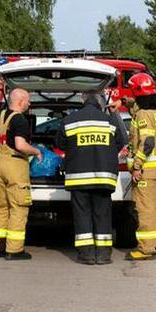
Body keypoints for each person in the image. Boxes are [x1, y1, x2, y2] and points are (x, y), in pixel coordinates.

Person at [56, 91, 126, 265]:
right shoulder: (109, 121)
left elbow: (59, 144)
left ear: (82, 101)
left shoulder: (70, 121)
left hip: (78, 178)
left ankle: (86, 254)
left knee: (82, 215)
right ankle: (103, 255)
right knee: (102, 214)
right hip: (104, 178)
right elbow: (121, 141)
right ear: (99, 102)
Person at [112, 73, 156, 261]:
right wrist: (122, 102)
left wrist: (136, 166)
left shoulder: (144, 114)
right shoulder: (154, 110)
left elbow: (148, 143)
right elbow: (137, 106)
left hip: (145, 171)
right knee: (155, 207)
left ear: (137, 92)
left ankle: (146, 248)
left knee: (144, 210)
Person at [0, 75, 42, 260]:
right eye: (27, 101)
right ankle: (14, 250)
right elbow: (20, 145)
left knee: (2, 208)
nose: (29, 104)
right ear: (20, 101)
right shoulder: (20, 120)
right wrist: (36, 152)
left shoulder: (3, 114)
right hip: (14, 166)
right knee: (18, 208)